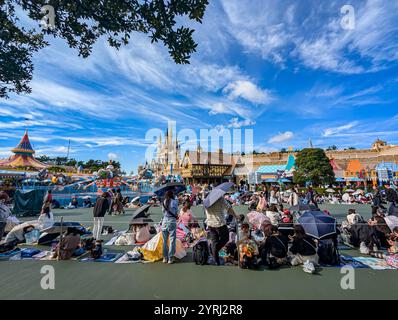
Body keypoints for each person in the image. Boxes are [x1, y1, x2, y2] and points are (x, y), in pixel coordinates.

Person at [205, 196, 240, 266]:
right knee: (226, 238)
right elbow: (229, 208)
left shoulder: (206, 200)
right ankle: (214, 251)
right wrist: (236, 216)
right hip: (219, 223)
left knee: (214, 242)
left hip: (210, 224)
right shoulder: (220, 199)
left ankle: (216, 259)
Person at [161, 190, 179, 264]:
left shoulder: (164, 201)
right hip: (172, 220)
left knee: (164, 241)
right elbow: (176, 211)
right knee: (172, 240)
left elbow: (163, 211)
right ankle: (170, 258)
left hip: (165, 220)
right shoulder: (174, 202)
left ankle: (165, 257)